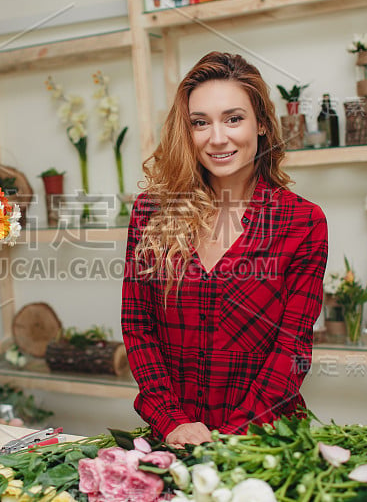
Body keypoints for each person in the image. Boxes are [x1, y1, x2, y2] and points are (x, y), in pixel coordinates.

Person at [121, 51, 328, 447]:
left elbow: (292, 349)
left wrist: (231, 439)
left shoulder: (302, 222)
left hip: (262, 444)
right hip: (174, 440)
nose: (217, 138)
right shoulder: (151, 212)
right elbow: (138, 327)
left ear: (263, 124)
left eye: (233, 118)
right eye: (200, 123)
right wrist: (173, 421)